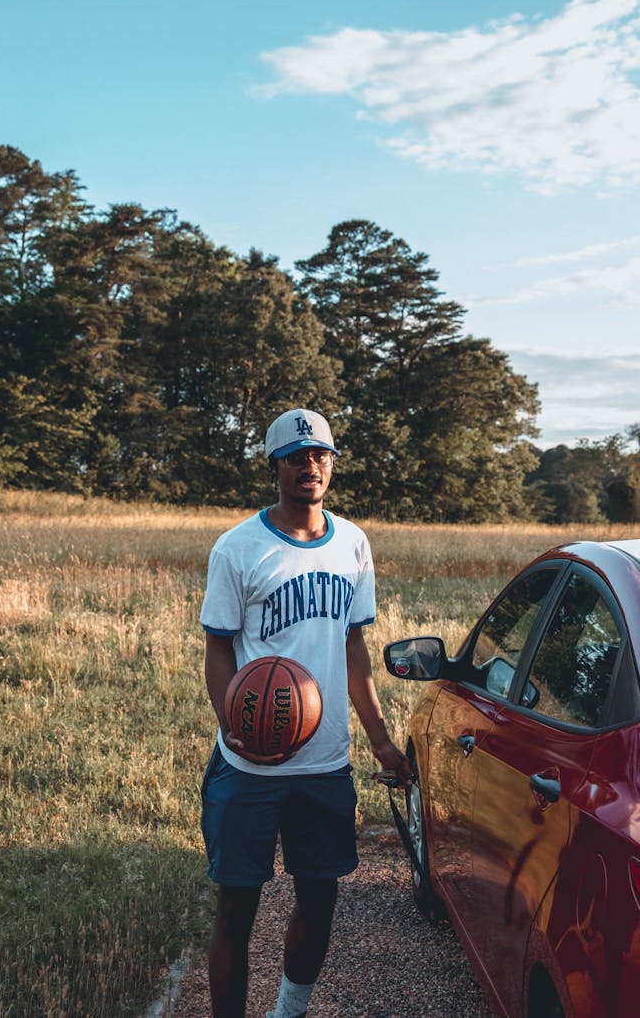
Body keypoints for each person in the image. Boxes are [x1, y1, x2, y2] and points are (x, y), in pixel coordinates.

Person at [200, 407, 411, 1018]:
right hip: (252, 765)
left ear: (331, 463)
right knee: (237, 908)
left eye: (319, 455)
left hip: (324, 761)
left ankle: (288, 1012)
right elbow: (218, 648)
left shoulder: (352, 542)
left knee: (319, 897)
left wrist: (380, 741)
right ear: (275, 467)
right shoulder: (238, 548)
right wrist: (235, 727)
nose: (309, 466)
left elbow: (353, 647)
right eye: (295, 456)